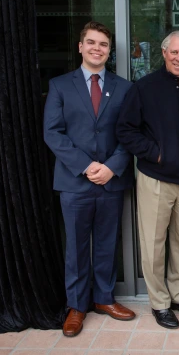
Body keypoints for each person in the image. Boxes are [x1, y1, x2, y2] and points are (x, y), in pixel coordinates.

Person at [116, 31, 179, 329]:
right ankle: (160, 302)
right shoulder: (144, 88)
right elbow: (125, 130)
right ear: (164, 52)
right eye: (174, 52)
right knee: (154, 244)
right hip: (155, 178)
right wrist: (155, 154)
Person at [43, 21, 136, 337]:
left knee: (108, 244)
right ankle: (77, 306)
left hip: (111, 179)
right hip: (74, 181)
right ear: (80, 47)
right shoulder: (60, 85)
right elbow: (52, 133)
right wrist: (85, 166)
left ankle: (104, 299)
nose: (98, 49)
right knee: (77, 247)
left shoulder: (124, 88)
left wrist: (112, 166)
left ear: (109, 52)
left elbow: (131, 133)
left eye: (104, 45)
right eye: (92, 43)